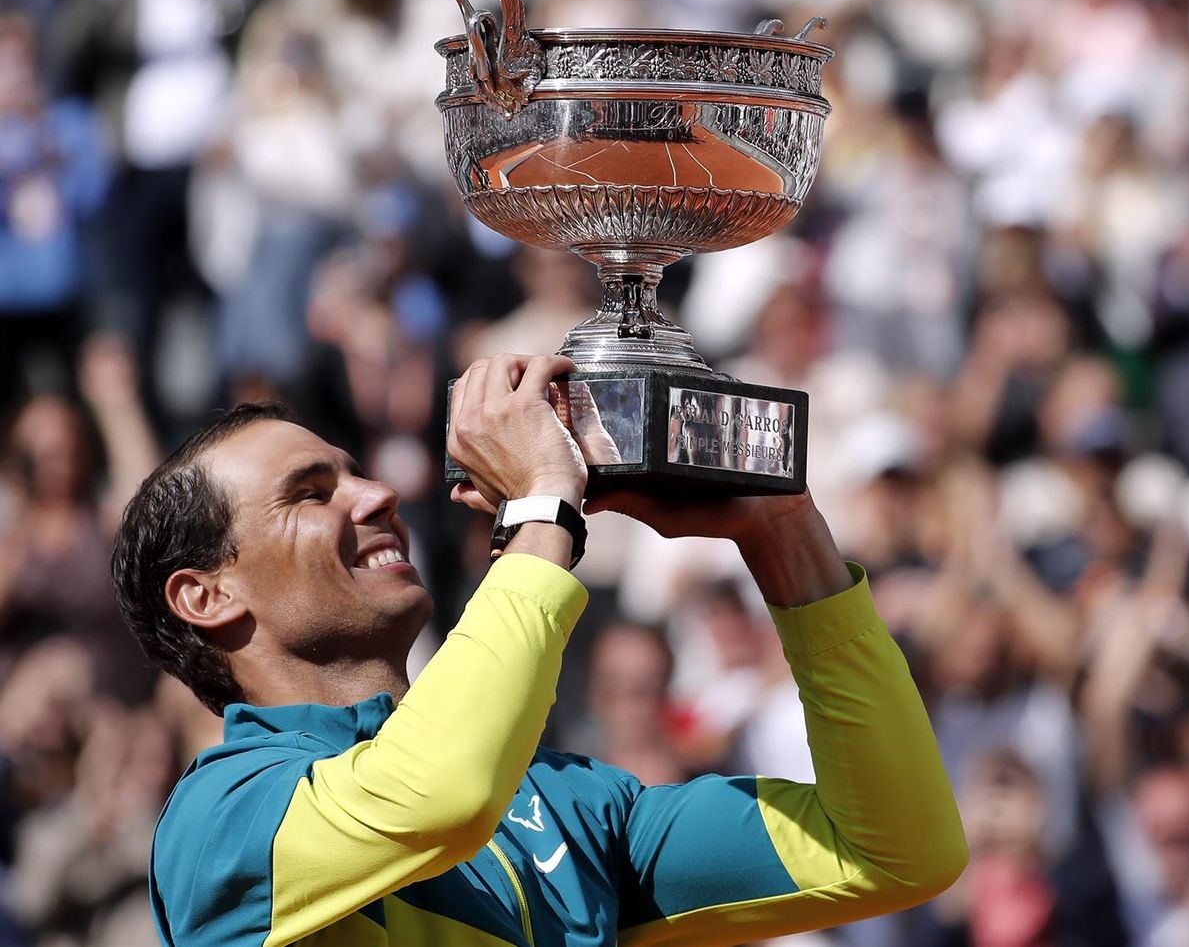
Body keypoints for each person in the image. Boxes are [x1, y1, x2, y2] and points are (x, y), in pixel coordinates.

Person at [109, 353, 967, 947]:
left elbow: (896, 852)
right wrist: (543, 510)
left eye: (356, 472)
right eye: (311, 493)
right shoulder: (219, 818)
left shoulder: (574, 802)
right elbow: (438, 795)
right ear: (206, 596)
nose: (378, 494)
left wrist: (785, 537)